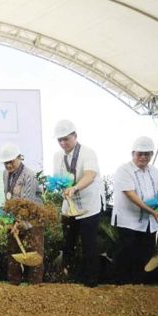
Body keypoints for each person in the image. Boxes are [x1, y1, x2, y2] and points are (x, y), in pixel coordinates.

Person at [52, 120, 104, 287]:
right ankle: (68, 278)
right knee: (68, 244)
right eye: (59, 140)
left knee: (89, 244)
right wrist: (61, 188)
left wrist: (75, 188)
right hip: (69, 206)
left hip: (88, 206)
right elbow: (58, 179)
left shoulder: (88, 153)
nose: (62, 143)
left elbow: (90, 175)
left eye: (66, 139)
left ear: (75, 136)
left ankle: (91, 281)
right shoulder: (57, 156)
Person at [111, 137, 158, 284]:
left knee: (146, 253)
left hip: (149, 223)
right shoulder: (124, 170)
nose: (143, 157)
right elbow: (130, 195)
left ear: (152, 155)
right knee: (126, 253)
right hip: (128, 220)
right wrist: (152, 211)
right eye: (140, 154)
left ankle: (140, 284)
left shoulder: (154, 171)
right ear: (133, 153)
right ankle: (121, 285)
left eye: (147, 154)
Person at [0, 143, 45, 285]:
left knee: (35, 251)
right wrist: (11, 221)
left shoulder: (29, 175)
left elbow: (26, 203)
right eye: (5, 162)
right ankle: (14, 284)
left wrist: (18, 224)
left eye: (11, 161)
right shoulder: (5, 174)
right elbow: (9, 197)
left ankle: (34, 286)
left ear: (19, 158)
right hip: (15, 218)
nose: (8, 165)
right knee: (13, 250)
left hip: (33, 218)